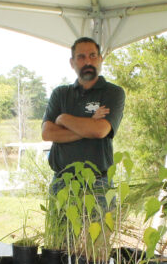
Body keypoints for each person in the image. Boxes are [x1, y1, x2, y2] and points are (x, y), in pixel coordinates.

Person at [41, 37, 125, 194]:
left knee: (99, 220)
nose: (88, 62)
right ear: (72, 63)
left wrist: (63, 119)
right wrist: (88, 124)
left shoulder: (113, 93)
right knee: (58, 220)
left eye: (93, 56)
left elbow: (100, 130)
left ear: (100, 59)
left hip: (97, 184)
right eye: (81, 57)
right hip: (61, 182)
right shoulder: (60, 93)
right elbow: (47, 133)